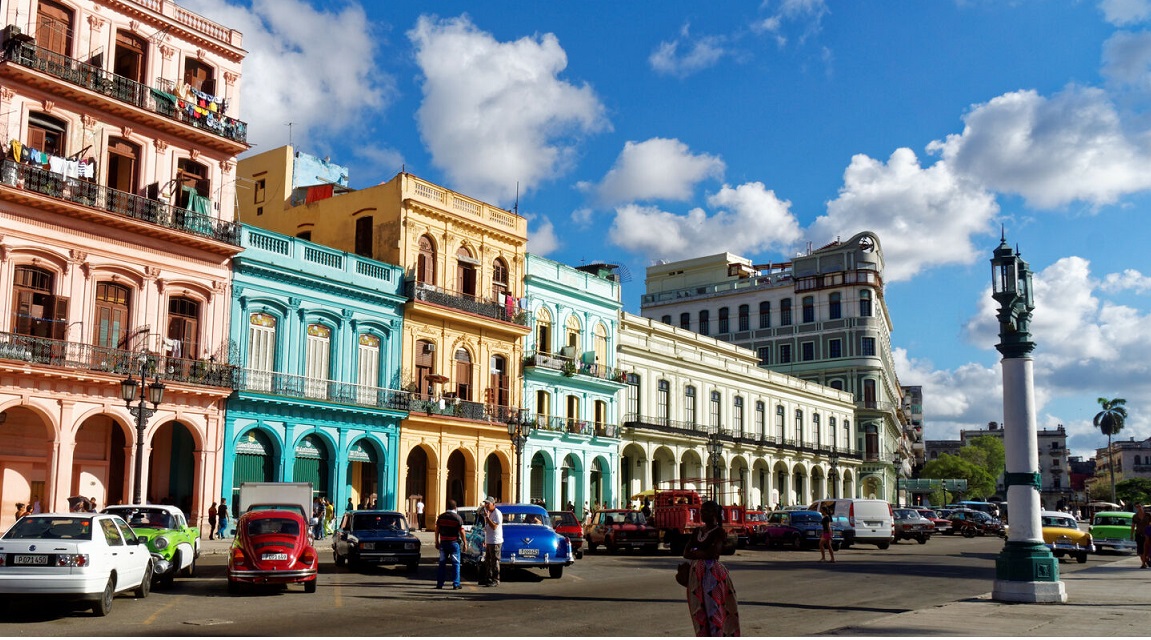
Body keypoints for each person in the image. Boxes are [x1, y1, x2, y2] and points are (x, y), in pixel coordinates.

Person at [682, 500, 740, 637]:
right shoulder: (697, 531)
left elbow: (714, 554)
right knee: (699, 611)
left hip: (713, 574)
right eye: (701, 511)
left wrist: (697, 553)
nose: (702, 514)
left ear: (714, 514)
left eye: (706, 511)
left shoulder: (718, 532)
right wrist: (702, 553)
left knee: (714, 609)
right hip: (696, 575)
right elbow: (686, 552)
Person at [434, 499, 467, 590]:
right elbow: (462, 531)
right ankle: (456, 584)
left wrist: (436, 541)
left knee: (442, 563)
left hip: (443, 543)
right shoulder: (457, 518)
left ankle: (440, 584)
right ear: (455, 508)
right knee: (456, 563)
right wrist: (465, 543)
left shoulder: (441, 517)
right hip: (454, 543)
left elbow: (437, 530)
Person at [479, 496, 503, 587]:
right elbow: (488, 527)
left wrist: (487, 518)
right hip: (489, 541)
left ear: (493, 504)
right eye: (485, 504)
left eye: (488, 504)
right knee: (487, 561)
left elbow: (494, 527)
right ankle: (488, 578)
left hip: (495, 541)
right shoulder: (490, 513)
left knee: (495, 561)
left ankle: (495, 579)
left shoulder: (497, 513)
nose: (486, 505)